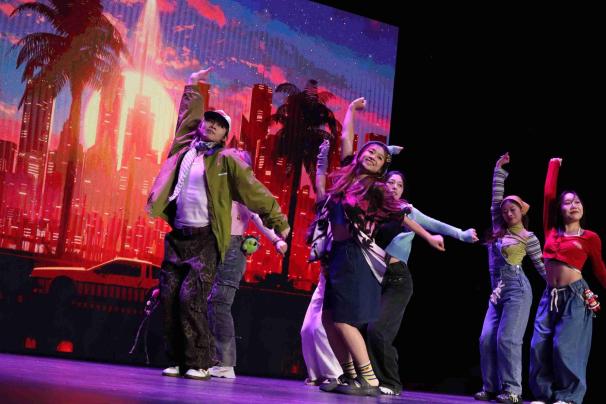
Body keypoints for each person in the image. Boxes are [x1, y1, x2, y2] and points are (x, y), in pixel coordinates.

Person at [146, 68, 289, 380]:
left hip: (207, 239)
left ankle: (199, 362)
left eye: (220, 125)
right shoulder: (184, 151)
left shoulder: (227, 161)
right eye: (209, 121)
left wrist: (278, 222)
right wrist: (193, 86)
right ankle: (177, 359)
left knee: (192, 299)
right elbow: (186, 119)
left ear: (225, 136)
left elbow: (254, 191)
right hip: (179, 236)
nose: (212, 126)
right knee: (169, 298)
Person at [317, 99, 446, 397]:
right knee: (328, 319)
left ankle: (370, 379)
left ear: (383, 167)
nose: (373, 156)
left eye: (380, 156)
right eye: (370, 151)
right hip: (336, 254)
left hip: (355, 254)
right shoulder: (348, 175)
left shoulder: (378, 190)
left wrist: (429, 237)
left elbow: (404, 216)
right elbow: (347, 137)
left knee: (343, 319)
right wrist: (351, 110)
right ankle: (350, 376)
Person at [367, 169, 479, 395]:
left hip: (398, 279)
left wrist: (462, 235)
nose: (395, 187)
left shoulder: (406, 210)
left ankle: (391, 382)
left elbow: (435, 225)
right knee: (367, 330)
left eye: (399, 185)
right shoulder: (373, 210)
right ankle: (371, 379)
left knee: (378, 330)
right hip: (373, 276)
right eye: (391, 182)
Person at [528, 158, 606, 404]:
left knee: (565, 347)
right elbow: (548, 196)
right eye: (568, 202)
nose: (574, 205)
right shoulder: (551, 231)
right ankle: (544, 394)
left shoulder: (590, 238)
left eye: (578, 201)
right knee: (539, 346)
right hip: (549, 295)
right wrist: (553, 165)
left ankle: (569, 397)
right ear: (559, 209)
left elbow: (600, 269)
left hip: (575, 295)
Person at [208, 150, 288, 379]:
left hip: (233, 249)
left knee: (220, 302)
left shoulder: (247, 192)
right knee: (206, 303)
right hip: (209, 245)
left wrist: (276, 240)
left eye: (237, 159)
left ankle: (225, 363)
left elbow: (260, 218)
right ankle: (206, 358)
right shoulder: (215, 185)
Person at [475, 152, 546, 404]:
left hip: (518, 290)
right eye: (504, 210)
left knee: (508, 339)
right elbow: (495, 200)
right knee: (486, 339)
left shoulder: (528, 237)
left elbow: (541, 266)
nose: (507, 213)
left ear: (521, 211)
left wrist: (557, 288)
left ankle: (513, 390)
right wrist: (498, 170)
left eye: (512, 209)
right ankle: (491, 387)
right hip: (497, 292)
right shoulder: (497, 229)